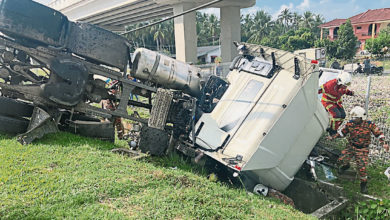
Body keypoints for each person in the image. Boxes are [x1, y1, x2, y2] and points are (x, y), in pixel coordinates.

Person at [328, 106, 389, 194]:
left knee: (362, 168)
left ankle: (363, 185)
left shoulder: (369, 124)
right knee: (341, 160)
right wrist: (332, 137)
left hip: (362, 149)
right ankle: (346, 165)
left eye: (356, 118)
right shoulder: (350, 124)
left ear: (361, 118)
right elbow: (342, 133)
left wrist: (384, 143)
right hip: (351, 146)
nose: (354, 119)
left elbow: (379, 134)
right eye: (353, 117)